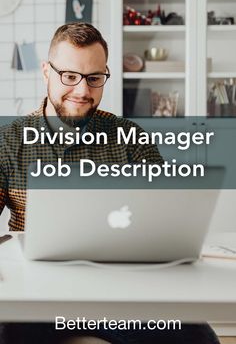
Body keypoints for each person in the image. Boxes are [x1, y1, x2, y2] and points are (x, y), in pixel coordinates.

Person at [0, 23, 220, 344]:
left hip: (123, 296)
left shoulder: (129, 137)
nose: (82, 91)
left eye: (94, 78)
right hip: (39, 299)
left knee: (200, 340)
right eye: (70, 76)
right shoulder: (8, 141)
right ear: (46, 72)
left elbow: (164, 219)